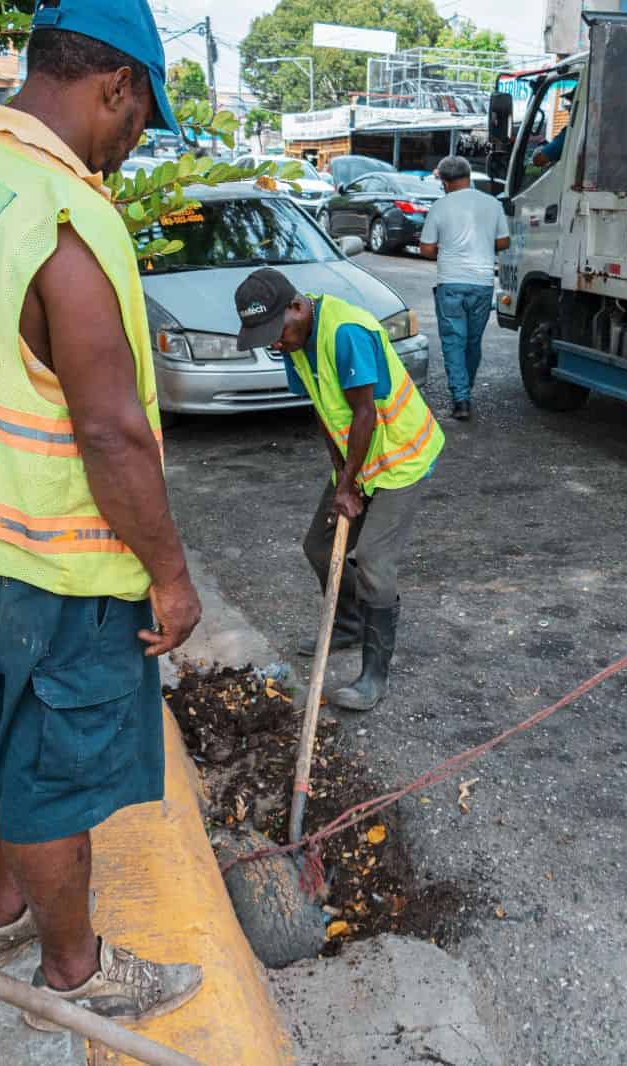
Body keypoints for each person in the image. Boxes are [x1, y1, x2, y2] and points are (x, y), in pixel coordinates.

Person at [0, 0, 205, 1029]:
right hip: (63, 560)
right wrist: (171, 573)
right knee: (52, 779)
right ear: (116, 85)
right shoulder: (63, 214)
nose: (133, 143)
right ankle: (73, 974)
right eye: (141, 117)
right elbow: (109, 430)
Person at [234, 267, 444, 711]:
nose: (275, 342)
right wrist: (341, 477)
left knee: (372, 560)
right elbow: (325, 408)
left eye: (276, 331)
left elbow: (364, 413)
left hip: (401, 456)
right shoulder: (294, 341)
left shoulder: (345, 331)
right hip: (360, 460)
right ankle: (347, 624)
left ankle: (374, 676)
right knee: (318, 545)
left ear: (296, 306)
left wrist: (349, 487)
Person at [420, 155, 509, 421]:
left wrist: (444, 248)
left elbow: (426, 249)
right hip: (482, 283)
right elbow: (503, 242)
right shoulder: (492, 204)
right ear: (469, 176)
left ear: (445, 183)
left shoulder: (440, 206)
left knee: (453, 342)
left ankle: (461, 399)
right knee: (472, 341)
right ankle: (464, 390)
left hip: (451, 283)